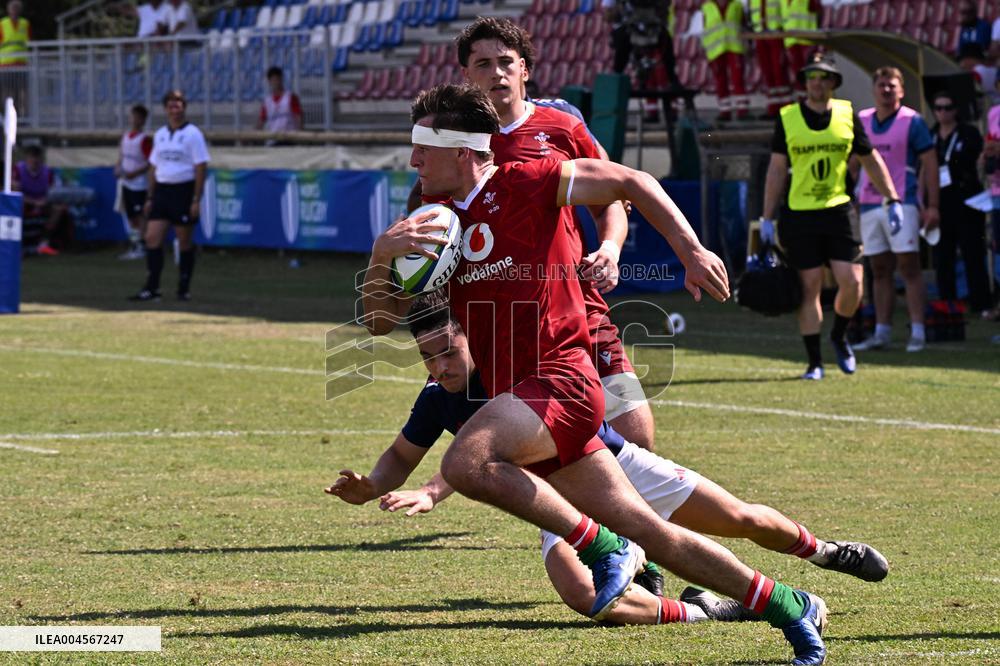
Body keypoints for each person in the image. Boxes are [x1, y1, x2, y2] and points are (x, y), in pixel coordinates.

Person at [362, 83, 829, 665]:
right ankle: (791, 607)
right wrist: (383, 255)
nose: (412, 161)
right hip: (527, 408)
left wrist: (689, 250)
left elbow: (631, 182)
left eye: (421, 148)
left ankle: (600, 543)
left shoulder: (527, 180)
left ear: (460, 149)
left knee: (466, 461)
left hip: (564, 378)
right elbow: (380, 323)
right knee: (658, 539)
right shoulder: (430, 221)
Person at [329, 295, 889, 626]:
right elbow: (406, 455)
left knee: (743, 520)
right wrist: (373, 483)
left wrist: (433, 489)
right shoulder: (436, 399)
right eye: (428, 357)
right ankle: (714, 611)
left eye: (448, 351)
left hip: (611, 460)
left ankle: (824, 552)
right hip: (561, 498)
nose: (440, 367)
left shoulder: (513, 365)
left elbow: (475, 456)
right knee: (585, 599)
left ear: (473, 337)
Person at [441, 16, 654, 450]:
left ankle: (618, 516)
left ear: (525, 70)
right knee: (544, 444)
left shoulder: (563, 127)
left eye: (506, 61)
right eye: (482, 64)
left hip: (580, 303)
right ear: (465, 75)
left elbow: (611, 199)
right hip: (506, 323)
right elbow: (430, 225)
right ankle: (569, 520)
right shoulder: (453, 145)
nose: (496, 73)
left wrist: (610, 249)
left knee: (636, 432)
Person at [761, 55, 902, 380]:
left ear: (833, 82)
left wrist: (892, 197)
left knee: (853, 283)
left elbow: (870, 159)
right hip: (800, 213)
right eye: (812, 76)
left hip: (839, 210)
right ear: (805, 81)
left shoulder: (847, 114)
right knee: (809, 288)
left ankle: (839, 335)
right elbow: (777, 169)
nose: (818, 82)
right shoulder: (788, 117)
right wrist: (767, 216)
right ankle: (814, 362)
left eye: (824, 77)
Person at [852, 67, 939, 353]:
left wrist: (932, 205)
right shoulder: (862, 120)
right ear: (874, 88)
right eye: (881, 85)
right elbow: (852, 162)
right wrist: (850, 190)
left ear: (901, 90)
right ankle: (882, 331)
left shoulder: (912, 121)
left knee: (909, 267)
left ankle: (917, 330)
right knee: (878, 268)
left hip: (903, 202)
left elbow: (930, 163)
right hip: (868, 204)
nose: (886, 90)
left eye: (892, 85)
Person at [131, 90, 209, 302]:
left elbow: (201, 166)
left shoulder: (193, 134)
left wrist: (196, 198)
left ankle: (183, 288)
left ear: (184, 108)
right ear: (165, 109)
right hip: (163, 191)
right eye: (171, 106)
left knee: (184, 241)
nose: (175, 110)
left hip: (183, 190)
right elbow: (154, 166)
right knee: (152, 237)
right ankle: (152, 287)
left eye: (178, 105)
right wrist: (150, 196)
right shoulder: (160, 134)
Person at [931, 90, 993, 317]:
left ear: (955, 110)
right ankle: (946, 303)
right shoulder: (932, 134)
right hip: (940, 203)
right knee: (943, 256)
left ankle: (981, 303)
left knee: (973, 254)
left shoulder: (968, 132)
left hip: (968, 201)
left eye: (947, 107)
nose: (943, 112)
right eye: (938, 108)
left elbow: (977, 160)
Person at [605, 0, 678, 121]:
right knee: (621, 41)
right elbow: (608, 15)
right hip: (629, 26)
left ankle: (673, 83)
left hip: (653, 26)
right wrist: (617, 10)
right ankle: (616, 80)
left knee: (665, 45)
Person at [115, 104, 154, 261]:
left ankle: (142, 244)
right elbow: (121, 156)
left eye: (139, 117)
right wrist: (117, 167)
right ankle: (135, 243)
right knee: (130, 215)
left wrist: (135, 173)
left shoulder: (144, 139)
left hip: (139, 183)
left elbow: (151, 162)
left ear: (143, 120)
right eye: (133, 116)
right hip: (126, 182)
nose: (135, 120)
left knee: (140, 214)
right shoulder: (125, 137)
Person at [13, 145, 67, 256]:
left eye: (37, 157)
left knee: (58, 208)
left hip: (43, 202)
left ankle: (43, 244)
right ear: (26, 158)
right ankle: (19, 245)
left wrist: (44, 201)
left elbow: (54, 192)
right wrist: (33, 202)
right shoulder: (17, 170)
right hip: (25, 202)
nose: (34, 160)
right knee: (17, 206)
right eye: (32, 157)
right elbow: (15, 193)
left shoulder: (48, 172)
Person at [700, 0, 748, 121]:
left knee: (738, 78)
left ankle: (743, 110)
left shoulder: (737, 5)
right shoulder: (706, 7)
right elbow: (704, 28)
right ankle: (724, 111)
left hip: (735, 47)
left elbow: (744, 25)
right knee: (720, 80)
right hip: (715, 50)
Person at [748, 0, 792, 119]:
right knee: (767, 73)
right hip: (760, 34)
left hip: (776, 34)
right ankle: (773, 108)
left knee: (779, 71)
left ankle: (786, 108)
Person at [778, 0, 820, 97]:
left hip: (807, 40)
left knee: (811, 72)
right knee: (797, 73)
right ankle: (802, 99)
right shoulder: (782, 1)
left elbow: (818, 12)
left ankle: (814, 98)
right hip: (791, 41)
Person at [0, 0, 30, 114]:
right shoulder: (2, 24)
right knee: (6, 93)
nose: (14, 11)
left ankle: (21, 117)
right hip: (6, 64)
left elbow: (28, 41)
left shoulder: (25, 24)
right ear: (8, 10)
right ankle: (5, 116)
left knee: (21, 93)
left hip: (21, 64)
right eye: (12, 8)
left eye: (16, 8)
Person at [256, 66, 304, 133]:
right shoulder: (267, 101)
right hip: (273, 139)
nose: (275, 82)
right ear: (269, 82)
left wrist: (300, 132)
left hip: (289, 139)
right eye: (273, 80)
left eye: (277, 79)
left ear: (281, 79)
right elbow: (261, 120)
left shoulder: (290, 97)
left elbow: (298, 116)